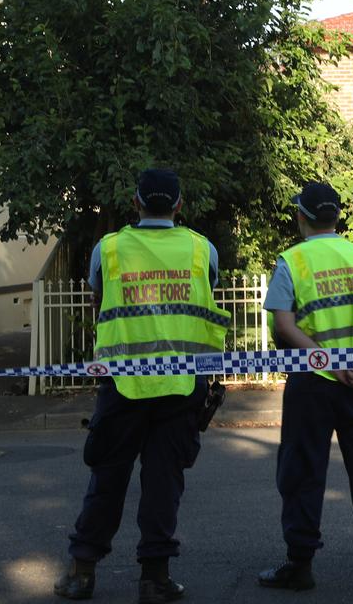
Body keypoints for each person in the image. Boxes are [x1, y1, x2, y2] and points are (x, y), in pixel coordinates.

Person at [54, 168, 231, 603]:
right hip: (181, 385)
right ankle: (154, 579)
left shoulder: (108, 249)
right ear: (178, 205)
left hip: (123, 386)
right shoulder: (199, 249)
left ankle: (81, 573)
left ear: (135, 203)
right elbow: (204, 297)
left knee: (108, 479)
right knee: (162, 483)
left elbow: (100, 301)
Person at [258, 181, 353, 591]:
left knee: (302, 470)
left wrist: (327, 362)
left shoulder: (292, 261)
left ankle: (299, 565)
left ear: (301, 216)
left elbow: (284, 323)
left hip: (310, 382)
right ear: (337, 217)